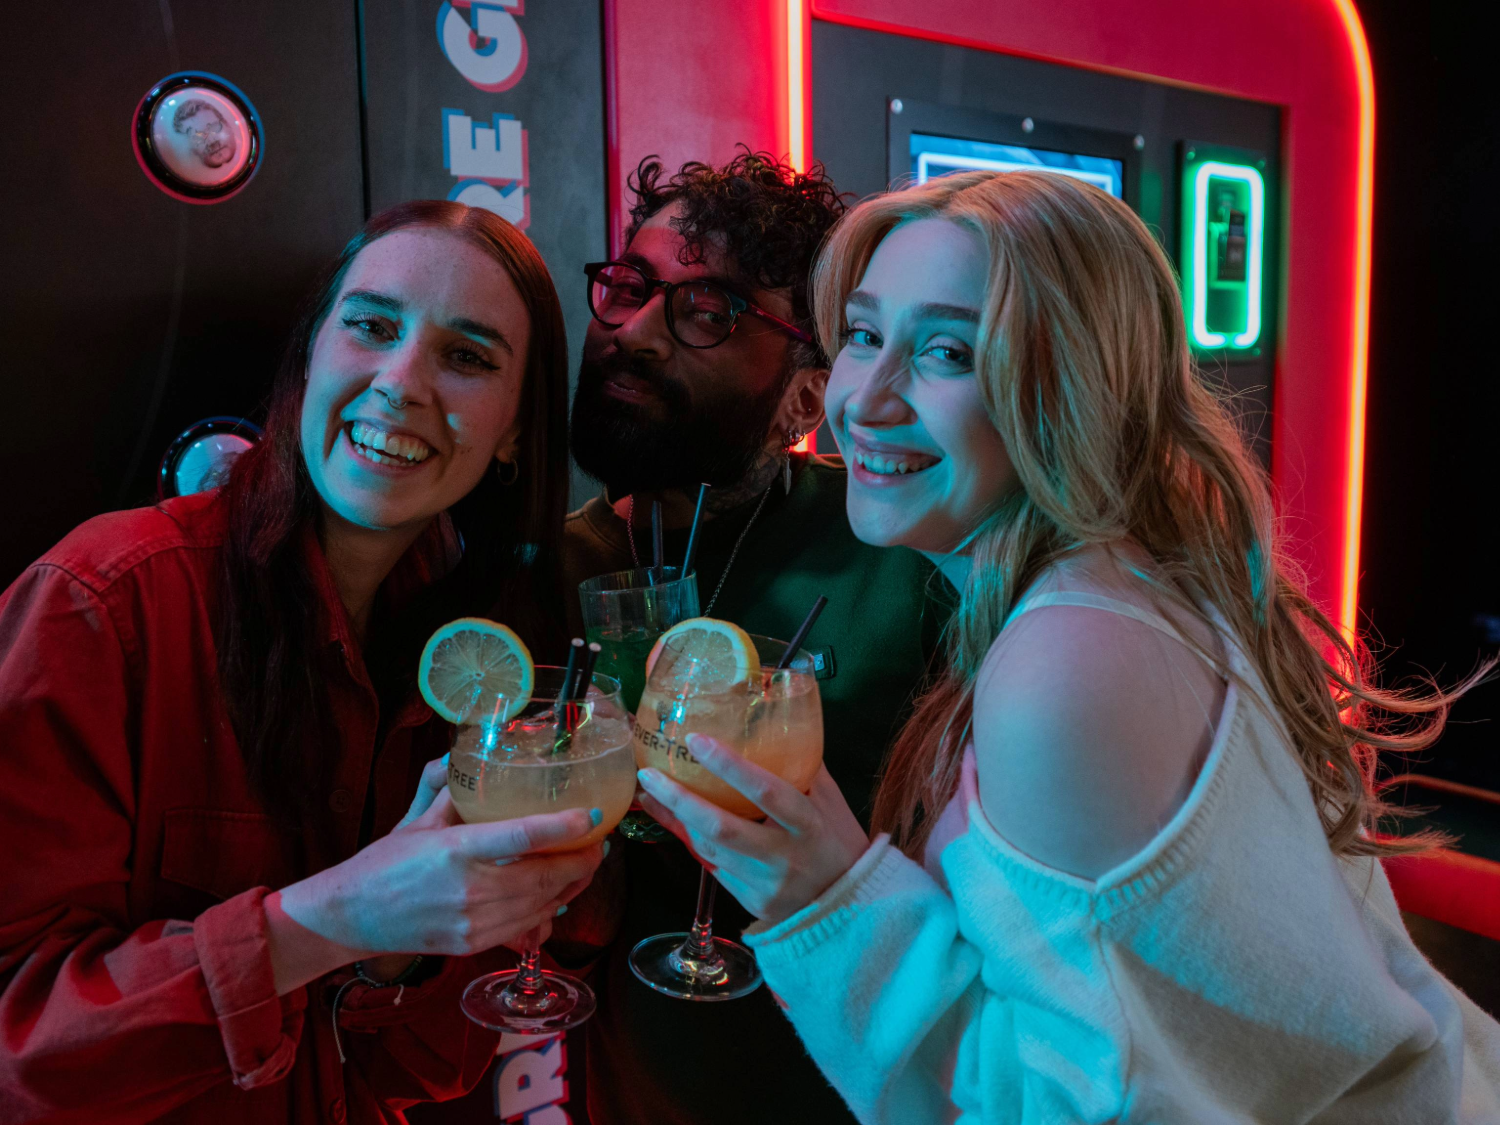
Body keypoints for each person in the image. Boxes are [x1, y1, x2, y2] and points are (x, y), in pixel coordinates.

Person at [636, 170, 1500, 1122]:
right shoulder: (1129, 576)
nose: (867, 399)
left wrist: (827, 893)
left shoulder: (1069, 659)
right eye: (866, 335)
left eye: (949, 352)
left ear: (1073, 387)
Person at [0, 201, 608, 1124]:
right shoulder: (104, 600)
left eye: (468, 356)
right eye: (372, 325)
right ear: (313, 356)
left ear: (516, 433)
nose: (402, 380)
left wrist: (403, 950)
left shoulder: (473, 667)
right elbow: (17, 1049)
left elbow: (423, 1068)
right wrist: (329, 919)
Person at [561, 152, 953, 1125]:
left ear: (809, 398)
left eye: (709, 311)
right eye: (630, 288)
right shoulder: (551, 572)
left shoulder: (906, 558)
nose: (639, 333)